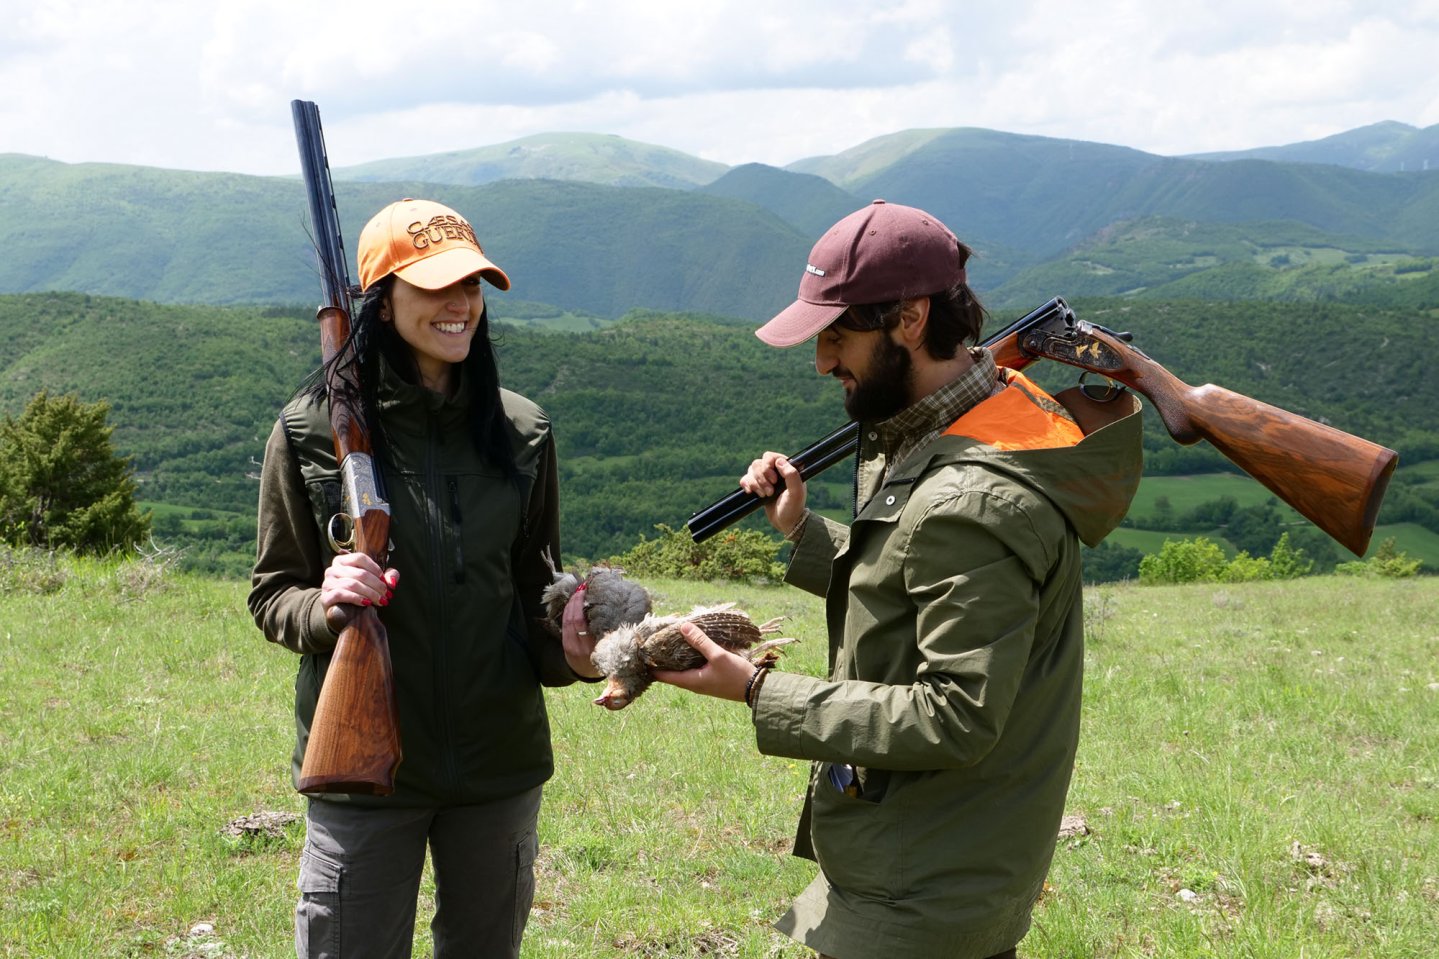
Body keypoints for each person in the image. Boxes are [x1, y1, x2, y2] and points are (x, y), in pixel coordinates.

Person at [655, 200, 1143, 959]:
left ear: (910, 320)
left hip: (923, 887)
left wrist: (755, 689)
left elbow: (956, 715)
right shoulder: (954, 424)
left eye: (837, 335)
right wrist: (802, 531)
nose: (822, 361)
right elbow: (912, 580)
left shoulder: (970, 497)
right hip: (930, 858)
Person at [248, 197, 601, 959]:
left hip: (498, 767)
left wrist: (575, 653)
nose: (460, 303)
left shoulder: (523, 430)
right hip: (361, 770)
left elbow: (533, 594)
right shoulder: (309, 429)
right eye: (435, 285)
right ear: (382, 302)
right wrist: (326, 605)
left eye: (471, 284)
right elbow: (273, 593)